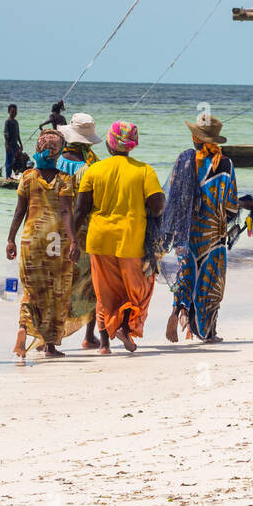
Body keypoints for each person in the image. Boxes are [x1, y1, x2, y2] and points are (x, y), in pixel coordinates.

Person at [72, 121, 164, 354]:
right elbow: (158, 206)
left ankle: (104, 345)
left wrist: (72, 240)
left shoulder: (94, 170)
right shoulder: (144, 171)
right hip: (131, 241)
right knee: (139, 290)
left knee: (104, 293)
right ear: (132, 145)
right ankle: (123, 327)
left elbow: (80, 211)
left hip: (99, 240)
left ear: (110, 144)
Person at [162, 111, 244, 344]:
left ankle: (178, 311)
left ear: (196, 139)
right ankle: (207, 331)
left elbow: (174, 196)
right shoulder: (226, 164)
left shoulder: (185, 159)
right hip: (214, 234)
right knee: (210, 280)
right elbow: (231, 204)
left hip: (187, 231)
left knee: (186, 273)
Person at [6, 129, 79, 359]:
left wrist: (10, 239)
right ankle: (49, 346)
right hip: (56, 241)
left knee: (31, 290)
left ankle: (22, 327)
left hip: (31, 240)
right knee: (56, 291)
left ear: (38, 150)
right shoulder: (65, 180)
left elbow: (20, 211)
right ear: (58, 154)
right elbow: (67, 212)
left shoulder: (27, 177)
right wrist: (74, 240)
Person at [54, 112, 102, 350]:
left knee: (58, 282)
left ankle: (49, 336)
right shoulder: (89, 168)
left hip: (54, 231)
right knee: (88, 282)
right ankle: (89, 336)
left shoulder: (54, 162)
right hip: (82, 233)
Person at [4, 103, 23, 179]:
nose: (14, 113)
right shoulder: (7, 122)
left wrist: (21, 144)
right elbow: (5, 134)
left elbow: (18, 134)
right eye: (12, 112)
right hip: (9, 144)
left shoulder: (16, 122)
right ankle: (8, 176)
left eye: (15, 112)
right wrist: (7, 145)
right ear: (9, 111)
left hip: (15, 144)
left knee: (16, 160)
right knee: (9, 161)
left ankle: (15, 174)